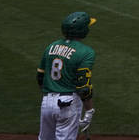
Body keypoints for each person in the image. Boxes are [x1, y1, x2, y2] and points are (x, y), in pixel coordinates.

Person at [38, 11, 96, 140]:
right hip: (68, 104)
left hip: (47, 102)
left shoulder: (51, 47)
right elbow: (83, 86)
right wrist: (89, 111)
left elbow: (40, 77)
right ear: (83, 30)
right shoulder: (86, 52)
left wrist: (49, 99)